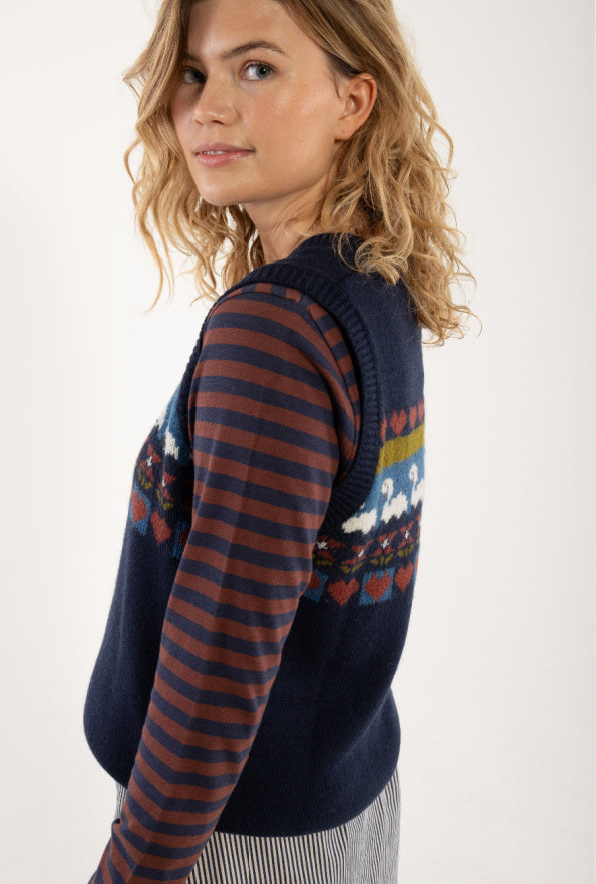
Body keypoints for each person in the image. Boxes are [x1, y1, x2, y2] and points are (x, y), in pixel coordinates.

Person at [83, 0, 474, 881]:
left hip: (227, 832)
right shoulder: (369, 286)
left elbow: (218, 657)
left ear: (353, 101)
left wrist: (133, 868)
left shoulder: (276, 332)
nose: (208, 107)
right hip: (344, 799)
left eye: (257, 68)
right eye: (194, 74)